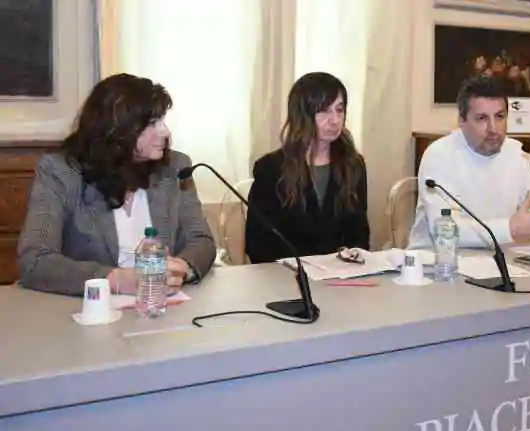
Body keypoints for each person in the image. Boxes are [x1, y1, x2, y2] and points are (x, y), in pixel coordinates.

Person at [17, 73, 217, 296]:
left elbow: (200, 240)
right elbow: (35, 260)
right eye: (152, 123)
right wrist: (115, 280)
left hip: (161, 307)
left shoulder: (176, 166)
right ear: (117, 129)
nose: (165, 132)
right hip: (84, 309)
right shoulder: (61, 171)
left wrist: (182, 269)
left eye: (162, 120)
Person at [408, 76, 530, 249]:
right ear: (462, 121)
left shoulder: (517, 154)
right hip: (439, 259)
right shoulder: (439, 156)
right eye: (482, 118)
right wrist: (510, 229)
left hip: (502, 257)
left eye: (500, 116)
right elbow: (444, 229)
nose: (493, 128)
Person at [245, 72, 369, 263]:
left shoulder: (353, 165)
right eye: (324, 111)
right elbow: (257, 244)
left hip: (341, 275)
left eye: (339, 110)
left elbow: (360, 235)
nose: (335, 120)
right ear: (302, 115)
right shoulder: (271, 169)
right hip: (286, 275)